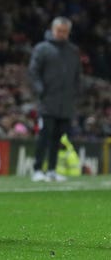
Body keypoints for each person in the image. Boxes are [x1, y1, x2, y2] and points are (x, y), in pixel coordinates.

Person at [28, 16, 81, 182]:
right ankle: (37, 169)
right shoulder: (42, 49)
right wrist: (40, 90)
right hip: (48, 102)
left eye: (65, 32)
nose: (62, 34)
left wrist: (75, 93)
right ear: (52, 30)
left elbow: (77, 75)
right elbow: (33, 71)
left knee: (58, 138)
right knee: (45, 135)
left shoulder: (72, 51)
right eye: (59, 31)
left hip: (65, 103)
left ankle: (51, 169)